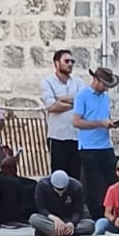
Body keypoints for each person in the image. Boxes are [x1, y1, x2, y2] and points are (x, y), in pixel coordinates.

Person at [73, 66, 119, 219]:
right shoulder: (82, 95)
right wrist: (100, 123)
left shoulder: (105, 98)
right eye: (105, 84)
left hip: (105, 145)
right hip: (88, 146)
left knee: (112, 180)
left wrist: (110, 123)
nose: (106, 88)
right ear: (96, 80)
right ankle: (96, 215)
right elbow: (77, 122)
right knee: (92, 184)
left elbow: (103, 117)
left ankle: (112, 211)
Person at [0, 108, 37, 227]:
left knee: (31, 184)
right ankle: (7, 218)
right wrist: (3, 163)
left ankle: (25, 215)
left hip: (2, 173)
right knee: (11, 184)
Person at [41, 49, 85, 178]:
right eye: (66, 61)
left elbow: (83, 102)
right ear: (56, 63)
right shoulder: (47, 82)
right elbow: (51, 106)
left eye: (72, 61)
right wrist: (74, 103)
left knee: (75, 176)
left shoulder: (78, 82)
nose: (70, 64)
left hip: (76, 137)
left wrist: (61, 99)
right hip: (57, 137)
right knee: (58, 176)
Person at [30, 169, 96, 236]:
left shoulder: (76, 186)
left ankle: (57, 232)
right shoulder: (42, 185)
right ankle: (64, 232)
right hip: (52, 220)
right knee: (34, 219)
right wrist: (55, 219)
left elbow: (78, 210)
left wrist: (72, 223)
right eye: (58, 190)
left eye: (63, 190)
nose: (60, 193)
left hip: (69, 219)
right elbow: (41, 208)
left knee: (90, 225)